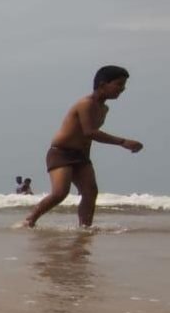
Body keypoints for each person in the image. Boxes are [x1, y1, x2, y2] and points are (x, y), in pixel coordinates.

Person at [22, 66, 144, 228]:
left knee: (90, 192)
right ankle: (29, 220)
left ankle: (85, 228)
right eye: (118, 84)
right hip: (61, 153)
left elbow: (86, 139)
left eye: (123, 85)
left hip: (81, 155)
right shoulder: (85, 104)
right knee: (60, 193)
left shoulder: (104, 108)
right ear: (102, 85)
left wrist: (86, 160)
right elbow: (89, 132)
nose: (122, 89)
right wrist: (123, 142)